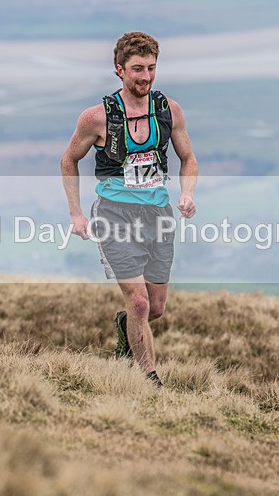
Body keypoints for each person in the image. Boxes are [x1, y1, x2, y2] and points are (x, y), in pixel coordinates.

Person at [60, 31, 198, 387]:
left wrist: (187, 193)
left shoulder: (169, 110)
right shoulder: (96, 118)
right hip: (114, 216)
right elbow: (68, 161)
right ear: (119, 70)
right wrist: (76, 213)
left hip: (158, 217)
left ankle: (126, 330)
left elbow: (188, 159)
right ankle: (148, 381)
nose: (146, 77)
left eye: (151, 68)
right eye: (137, 69)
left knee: (155, 309)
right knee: (138, 304)